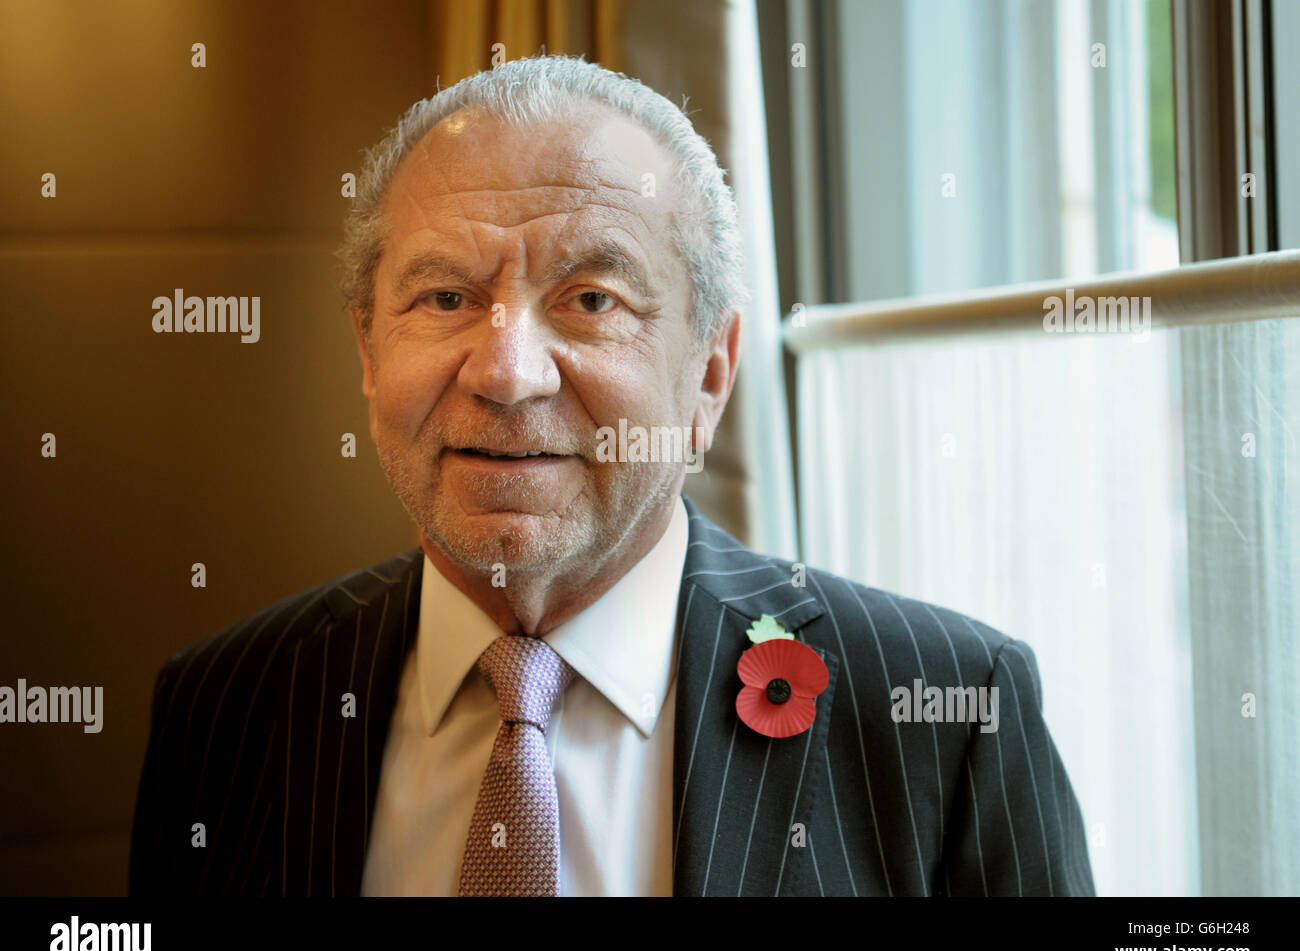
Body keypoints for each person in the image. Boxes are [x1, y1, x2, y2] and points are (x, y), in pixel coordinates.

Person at [129, 53, 1095, 897]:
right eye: (446, 297)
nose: (506, 374)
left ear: (710, 375)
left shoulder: (945, 710)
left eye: (591, 298)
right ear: (369, 352)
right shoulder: (228, 703)